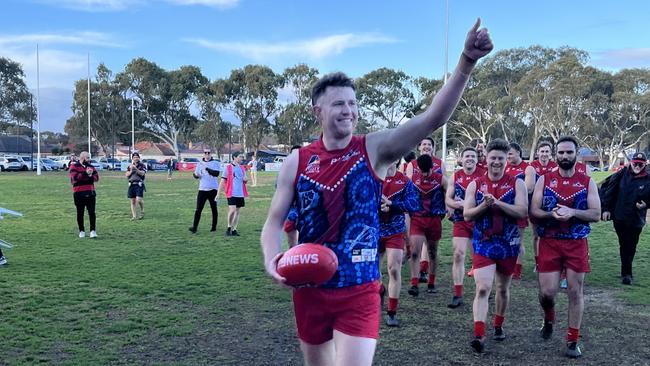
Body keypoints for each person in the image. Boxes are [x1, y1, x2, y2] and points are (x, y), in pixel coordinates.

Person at [260, 19, 492, 366]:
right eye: (339, 104)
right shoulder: (297, 161)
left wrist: (466, 63)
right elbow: (274, 222)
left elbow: (432, 119)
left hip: (360, 289)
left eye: (353, 104)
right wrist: (271, 259)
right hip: (309, 290)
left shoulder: (374, 149)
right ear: (317, 111)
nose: (349, 111)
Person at [530, 136, 601, 358]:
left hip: (576, 242)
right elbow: (534, 211)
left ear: (576, 154)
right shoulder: (545, 180)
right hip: (550, 241)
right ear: (555, 155)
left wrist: (573, 213)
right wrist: (550, 214)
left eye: (569, 152)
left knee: (574, 291)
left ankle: (572, 340)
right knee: (547, 293)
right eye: (560, 153)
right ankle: (549, 318)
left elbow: (596, 214)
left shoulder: (586, 181)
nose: (564, 156)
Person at [463, 139, 527, 353]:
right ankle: (479, 335)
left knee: (503, 288)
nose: (496, 162)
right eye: (493, 158)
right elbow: (466, 214)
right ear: (486, 158)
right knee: (483, 287)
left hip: (508, 243)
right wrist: (484, 205)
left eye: (501, 158)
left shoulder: (517, 183)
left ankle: (498, 324)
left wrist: (498, 203)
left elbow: (522, 212)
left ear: (507, 159)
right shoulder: (476, 184)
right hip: (484, 242)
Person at [379, 160, 420, 326]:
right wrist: (378, 205)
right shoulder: (374, 178)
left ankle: (391, 312)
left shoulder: (404, 181)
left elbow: (413, 204)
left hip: (395, 231)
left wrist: (392, 205)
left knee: (394, 269)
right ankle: (379, 290)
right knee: (373, 273)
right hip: (373, 231)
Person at [445, 146, 486, 308]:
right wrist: (455, 204)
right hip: (461, 220)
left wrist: (470, 206)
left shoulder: (484, 175)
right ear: (461, 159)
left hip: (479, 220)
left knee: (480, 258)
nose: (469, 158)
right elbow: (448, 198)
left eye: (472, 156)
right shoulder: (455, 176)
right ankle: (458, 293)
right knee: (458, 254)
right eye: (466, 156)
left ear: (477, 159)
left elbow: (489, 197)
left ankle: (483, 289)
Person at [600, 152, 650, 285]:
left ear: (645, 165)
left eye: (641, 164)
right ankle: (627, 273)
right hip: (620, 216)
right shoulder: (621, 174)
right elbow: (609, 191)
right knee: (624, 243)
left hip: (637, 219)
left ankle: (626, 270)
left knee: (632, 245)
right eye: (635, 164)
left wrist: (647, 204)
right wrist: (605, 209)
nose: (638, 166)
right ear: (631, 163)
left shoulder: (648, 178)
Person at [405, 137, 446, 283]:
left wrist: (446, 207)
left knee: (431, 249)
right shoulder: (412, 165)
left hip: (434, 214)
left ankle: (428, 276)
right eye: (424, 144)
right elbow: (408, 187)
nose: (426, 146)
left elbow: (446, 188)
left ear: (433, 148)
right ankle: (416, 278)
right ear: (419, 147)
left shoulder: (440, 165)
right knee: (415, 246)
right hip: (417, 214)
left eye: (429, 144)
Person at [504, 142, 536, 279]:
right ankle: (507, 265)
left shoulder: (528, 169)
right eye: (507, 154)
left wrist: (507, 193)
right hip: (505, 209)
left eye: (510, 153)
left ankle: (517, 269)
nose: (508, 156)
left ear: (518, 152)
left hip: (519, 208)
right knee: (506, 239)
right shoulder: (505, 166)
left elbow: (529, 188)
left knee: (517, 240)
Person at [189, 149, 221, 234]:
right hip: (202, 189)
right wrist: (196, 175)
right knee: (198, 209)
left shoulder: (215, 163)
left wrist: (207, 168)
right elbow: (196, 174)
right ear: (203, 154)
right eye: (205, 153)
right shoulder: (199, 164)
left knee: (214, 209)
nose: (207, 154)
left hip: (213, 189)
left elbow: (216, 173)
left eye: (208, 153)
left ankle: (213, 227)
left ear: (211, 154)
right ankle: (194, 227)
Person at [70, 151, 99, 238]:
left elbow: (96, 178)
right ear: (82, 157)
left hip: (90, 193)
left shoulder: (91, 167)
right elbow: (74, 179)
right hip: (79, 193)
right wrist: (85, 174)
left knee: (92, 212)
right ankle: (81, 231)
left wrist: (90, 176)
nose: (89, 160)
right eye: (87, 158)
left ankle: (93, 231)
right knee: (80, 212)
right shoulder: (74, 166)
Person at [219, 151, 248, 236]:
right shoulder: (228, 168)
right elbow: (222, 181)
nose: (242, 158)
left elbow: (244, 180)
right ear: (235, 157)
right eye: (240, 156)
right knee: (232, 210)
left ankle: (234, 229)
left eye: (242, 157)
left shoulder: (242, 168)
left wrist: (246, 180)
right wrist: (218, 193)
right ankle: (229, 227)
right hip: (231, 193)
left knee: (237, 211)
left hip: (240, 193)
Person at [283, 145, 303, 247]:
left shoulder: (312, 170)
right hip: (291, 209)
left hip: (306, 210)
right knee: (292, 242)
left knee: (306, 241)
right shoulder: (285, 171)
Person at [126, 152, 147, 220]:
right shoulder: (130, 166)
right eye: (134, 157)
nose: (135, 158)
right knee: (133, 201)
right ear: (132, 158)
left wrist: (136, 169)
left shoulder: (142, 165)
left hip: (139, 184)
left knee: (138, 199)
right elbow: (126, 175)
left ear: (139, 158)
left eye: (137, 157)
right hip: (131, 184)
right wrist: (131, 170)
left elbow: (142, 174)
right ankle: (134, 216)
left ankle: (142, 210)